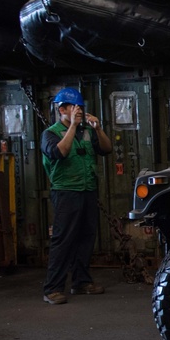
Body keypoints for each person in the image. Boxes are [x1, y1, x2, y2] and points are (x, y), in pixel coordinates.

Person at [41, 87, 113, 305]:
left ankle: (81, 282)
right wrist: (72, 125)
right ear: (62, 109)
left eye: (80, 107)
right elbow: (60, 152)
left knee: (86, 238)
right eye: (74, 107)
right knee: (63, 240)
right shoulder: (50, 134)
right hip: (66, 192)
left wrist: (98, 129)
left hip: (87, 190)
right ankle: (52, 288)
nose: (79, 110)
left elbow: (107, 149)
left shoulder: (87, 131)